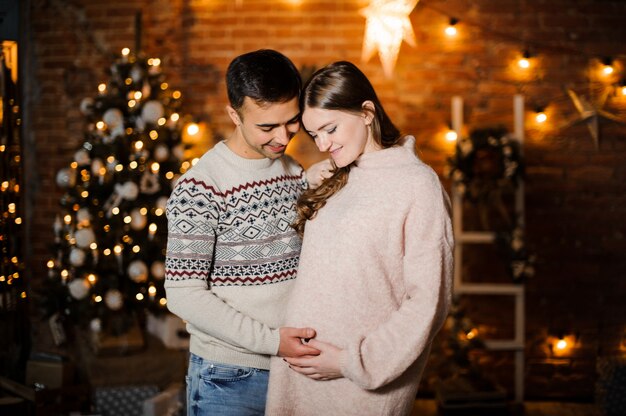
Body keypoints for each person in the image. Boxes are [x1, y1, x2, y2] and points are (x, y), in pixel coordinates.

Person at [265, 61, 454, 416]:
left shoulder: (417, 185)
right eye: (314, 135)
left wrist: (352, 361)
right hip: (298, 375)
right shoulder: (333, 176)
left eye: (330, 128)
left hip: (356, 382)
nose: (322, 143)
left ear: (367, 112)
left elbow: (429, 301)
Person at [164, 49, 329, 416]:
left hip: (292, 370)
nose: (283, 136)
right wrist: (272, 341)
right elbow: (183, 295)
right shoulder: (200, 188)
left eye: (291, 122)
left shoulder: (291, 169)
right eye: (267, 127)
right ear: (234, 115)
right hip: (228, 377)